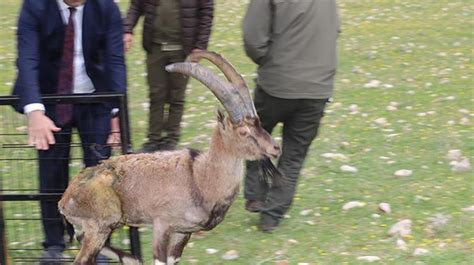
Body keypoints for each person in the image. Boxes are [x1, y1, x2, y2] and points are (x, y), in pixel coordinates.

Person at [12, 0, 126, 263]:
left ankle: (99, 244)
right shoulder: (34, 7)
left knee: (100, 177)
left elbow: (115, 62)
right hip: (50, 99)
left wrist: (116, 113)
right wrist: (35, 111)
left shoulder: (106, 7)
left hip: (95, 99)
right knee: (51, 172)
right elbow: (27, 60)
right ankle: (54, 243)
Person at [242, 0, 340, 232]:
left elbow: (253, 38)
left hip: (277, 83)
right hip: (318, 87)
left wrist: (270, 61)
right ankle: (271, 217)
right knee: (294, 155)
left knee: (255, 136)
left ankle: (256, 195)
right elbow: (335, 29)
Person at [123, 0, 214, 152]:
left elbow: (206, 12)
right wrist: (127, 29)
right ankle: (153, 140)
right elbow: (136, 5)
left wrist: (200, 46)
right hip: (155, 47)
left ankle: (171, 140)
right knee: (156, 94)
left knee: (176, 97)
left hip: (182, 50)